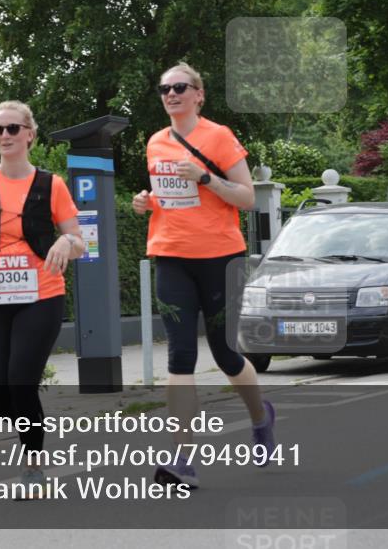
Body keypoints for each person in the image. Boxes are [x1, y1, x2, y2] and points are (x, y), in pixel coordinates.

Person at [132, 62, 274, 487]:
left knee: (226, 354)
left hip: (220, 259)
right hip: (171, 255)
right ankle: (183, 459)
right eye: (164, 89)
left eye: (180, 87)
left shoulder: (219, 137)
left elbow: (247, 198)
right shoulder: (156, 142)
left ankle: (260, 416)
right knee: (180, 357)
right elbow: (169, 198)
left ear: (199, 93)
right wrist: (147, 201)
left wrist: (206, 177)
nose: (171, 94)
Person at [0, 100, 84, 497]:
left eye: (13, 129)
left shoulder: (52, 185)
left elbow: (79, 240)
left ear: (30, 134)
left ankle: (33, 464)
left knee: (20, 382)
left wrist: (66, 241)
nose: (6, 136)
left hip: (41, 295)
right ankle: (34, 423)